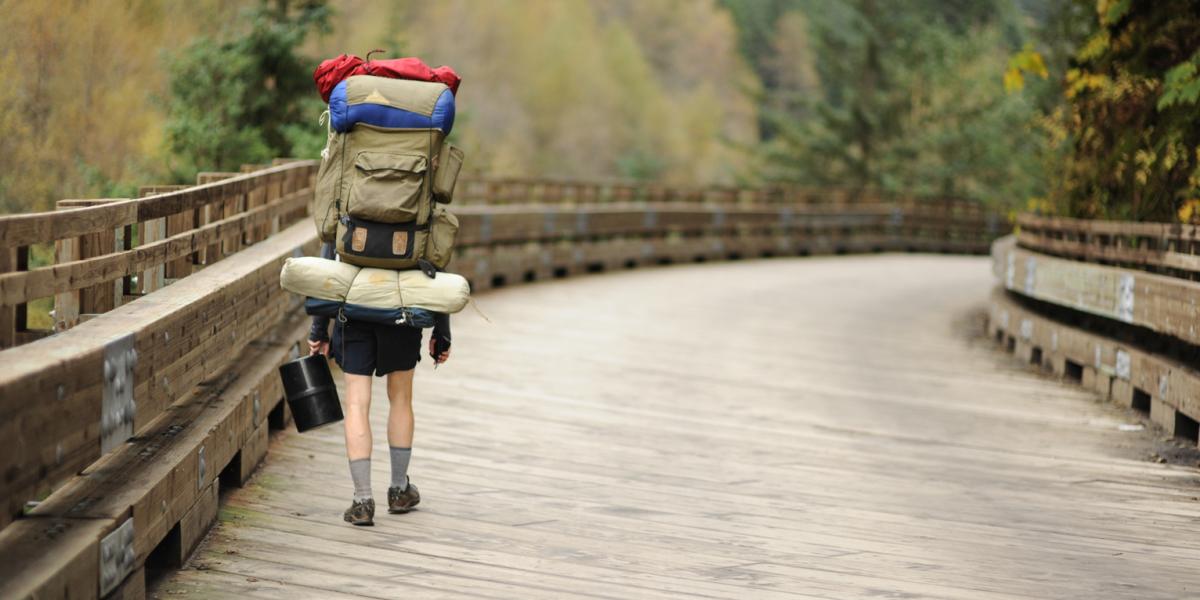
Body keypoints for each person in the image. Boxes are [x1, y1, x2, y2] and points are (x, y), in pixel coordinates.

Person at [307, 241, 451, 526]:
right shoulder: (418, 197)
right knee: (400, 399)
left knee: (357, 404)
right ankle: (399, 491)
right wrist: (442, 330)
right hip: (404, 309)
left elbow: (328, 266)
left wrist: (319, 328)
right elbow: (437, 261)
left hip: (354, 311)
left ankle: (362, 500)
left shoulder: (349, 197)